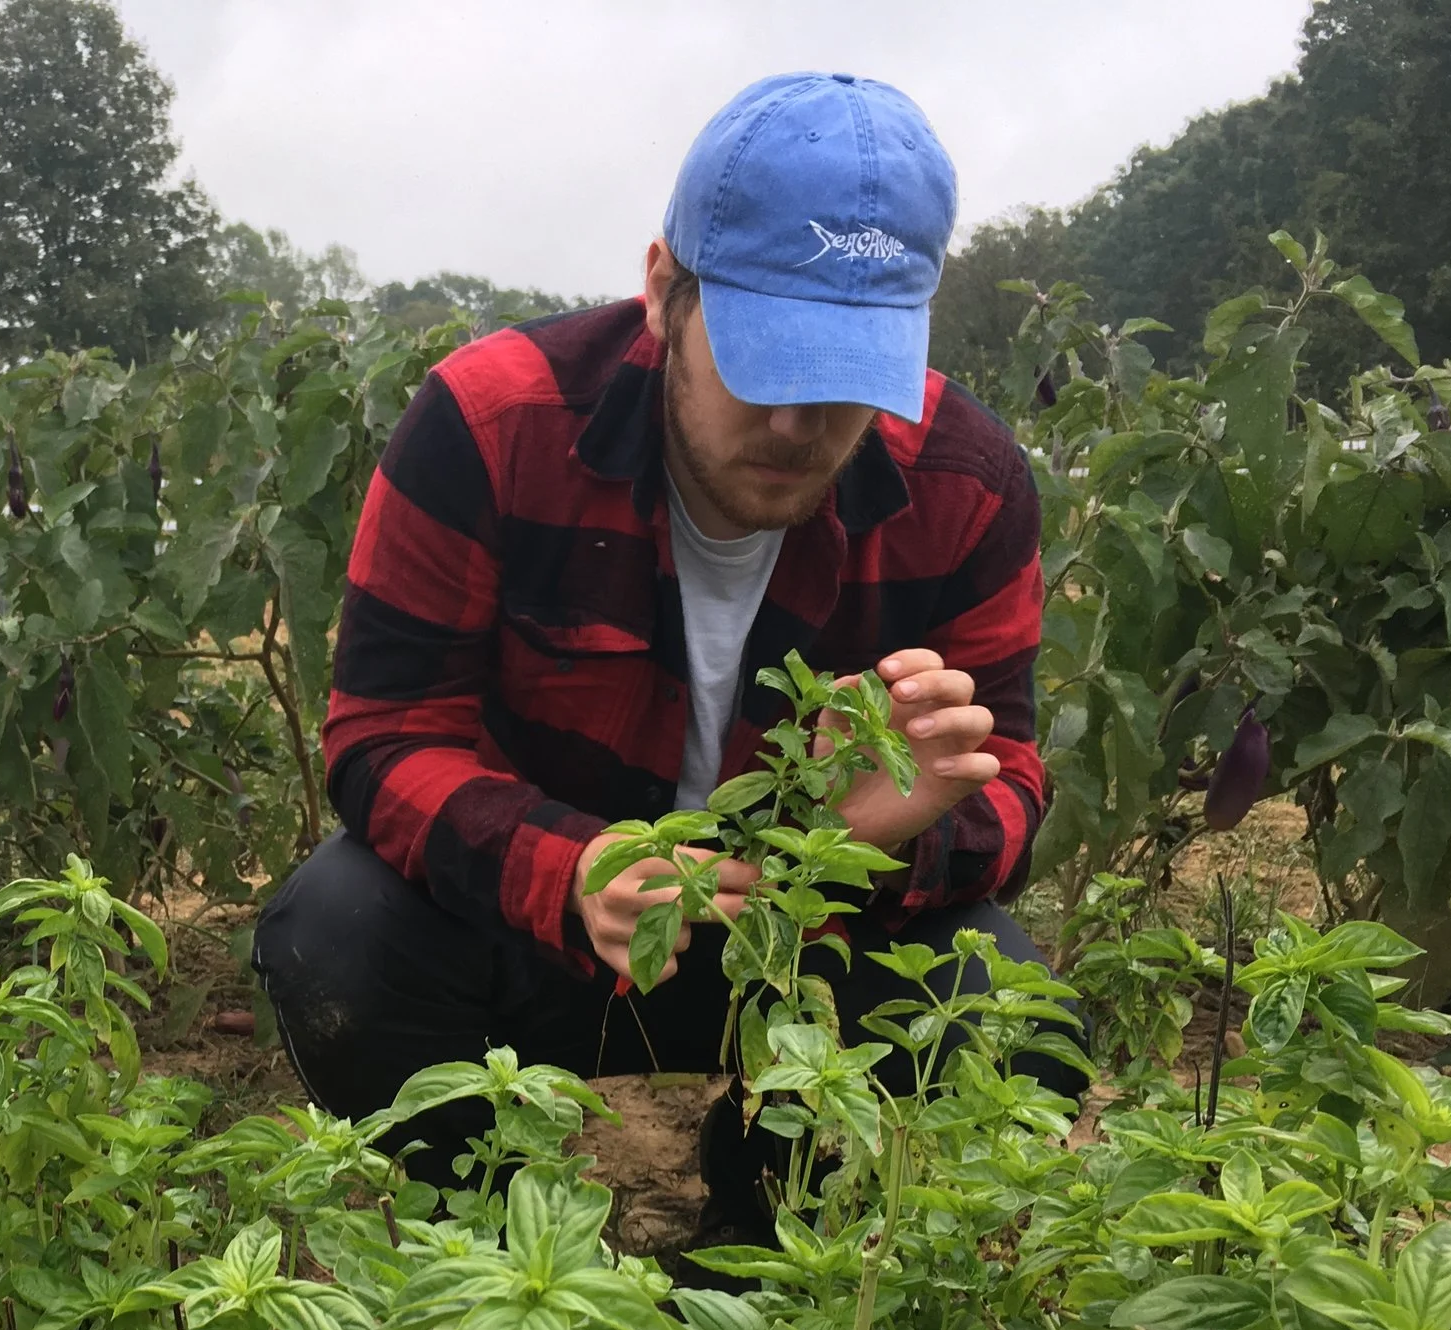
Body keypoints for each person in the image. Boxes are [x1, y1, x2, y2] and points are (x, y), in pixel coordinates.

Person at [252, 71, 1085, 1240]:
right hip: (544, 941)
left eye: (843, 373)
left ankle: (772, 1228)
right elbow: (385, 734)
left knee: (1008, 1016)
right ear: (663, 296)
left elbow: (1012, 783)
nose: (799, 426)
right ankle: (491, 1244)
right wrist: (567, 869)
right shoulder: (489, 429)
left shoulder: (965, 480)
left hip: (801, 947)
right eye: (764, 362)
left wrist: (876, 837)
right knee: (337, 933)